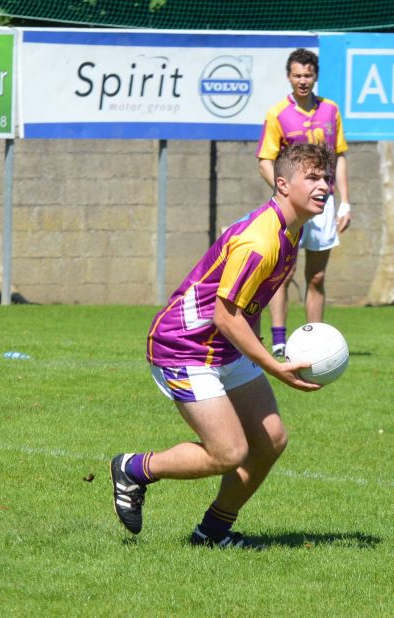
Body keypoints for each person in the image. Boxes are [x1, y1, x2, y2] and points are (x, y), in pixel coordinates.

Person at [110, 143, 330, 549]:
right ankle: (134, 469)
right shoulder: (260, 240)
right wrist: (272, 365)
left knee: (271, 441)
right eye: (312, 178)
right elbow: (224, 315)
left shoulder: (291, 230)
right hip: (184, 347)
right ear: (282, 184)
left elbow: (251, 301)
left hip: (223, 346)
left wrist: (258, 343)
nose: (324, 187)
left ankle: (212, 533)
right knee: (228, 452)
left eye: (326, 178)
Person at [256, 48, 351, 358]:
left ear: (315, 76)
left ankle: (316, 344)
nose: (303, 81)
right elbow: (265, 161)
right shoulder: (277, 114)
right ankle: (280, 339)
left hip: (324, 205)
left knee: (318, 276)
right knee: (281, 272)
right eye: (297, 75)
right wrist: (285, 192)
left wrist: (346, 202)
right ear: (289, 77)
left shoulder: (331, 111)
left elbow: (339, 157)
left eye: (308, 75)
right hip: (291, 208)